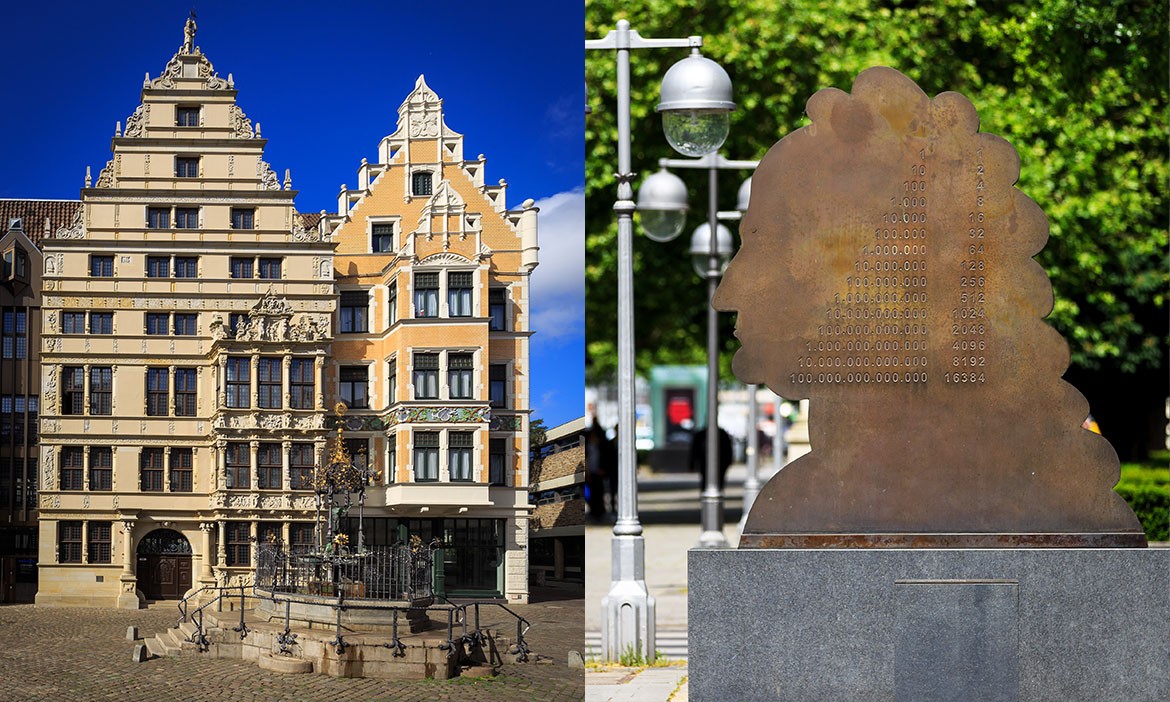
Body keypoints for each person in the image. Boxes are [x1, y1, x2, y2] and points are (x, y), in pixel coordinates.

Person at [689, 424, 733, 492]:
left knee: (717, 478)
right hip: (706, 461)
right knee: (707, 478)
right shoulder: (702, 434)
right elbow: (695, 449)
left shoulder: (721, 434)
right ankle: (709, 491)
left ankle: (715, 491)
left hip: (719, 462)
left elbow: (728, 449)